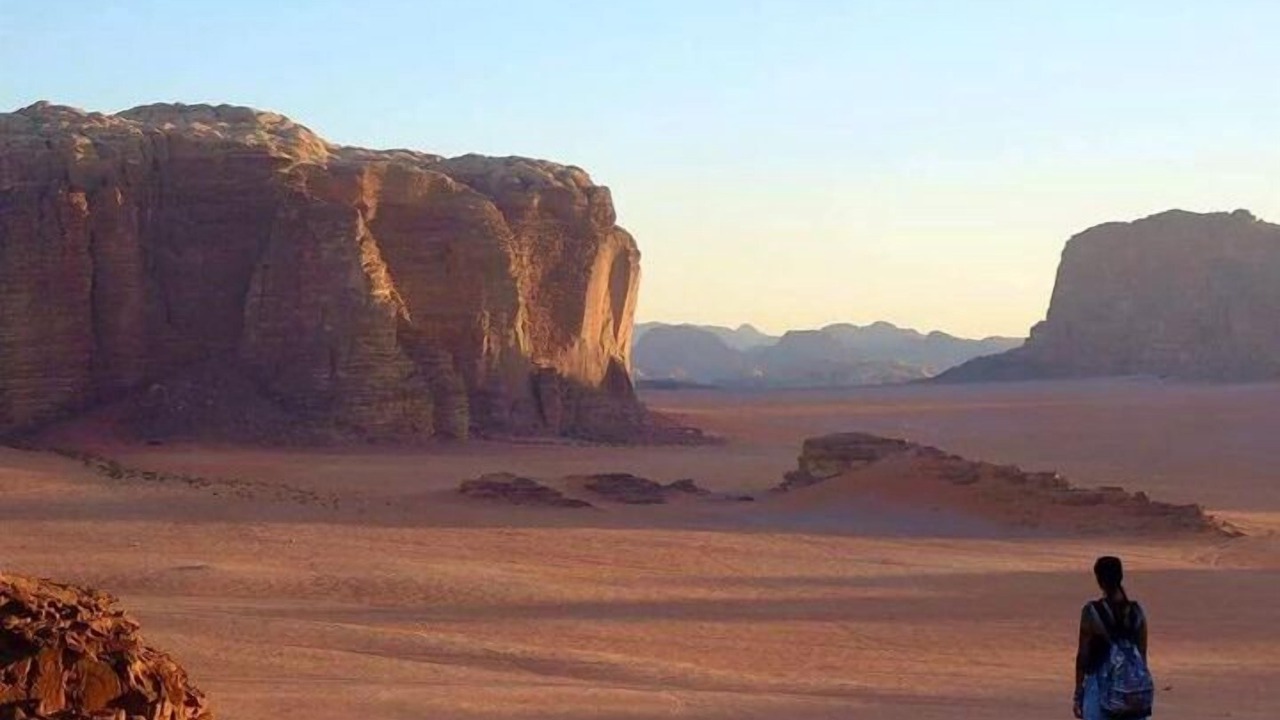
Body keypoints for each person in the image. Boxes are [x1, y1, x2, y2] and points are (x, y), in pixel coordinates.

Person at [1073, 556, 1149, 719]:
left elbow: (1083, 656)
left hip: (1100, 687)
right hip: (1132, 690)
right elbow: (1142, 655)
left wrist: (1078, 693)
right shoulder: (1137, 612)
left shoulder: (1092, 612)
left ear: (1099, 580)